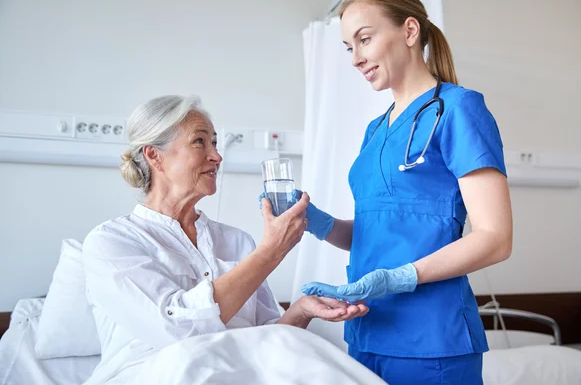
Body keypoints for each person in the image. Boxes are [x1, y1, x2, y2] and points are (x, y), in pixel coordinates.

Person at [292, 0, 513, 384]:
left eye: (365, 39)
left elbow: (496, 238)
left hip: (431, 340)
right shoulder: (375, 130)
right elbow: (381, 232)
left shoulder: (459, 110)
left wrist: (399, 277)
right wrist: (318, 222)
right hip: (366, 333)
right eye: (348, 47)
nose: (356, 58)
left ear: (410, 31)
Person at [81, 95, 368, 384]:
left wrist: (302, 309)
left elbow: (270, 337)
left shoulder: (236, 241)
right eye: (199, 142)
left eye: (215, 143)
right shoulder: (112, 243)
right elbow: (175, 330)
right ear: (154, 155)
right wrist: (270, 252)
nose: (216, 156)